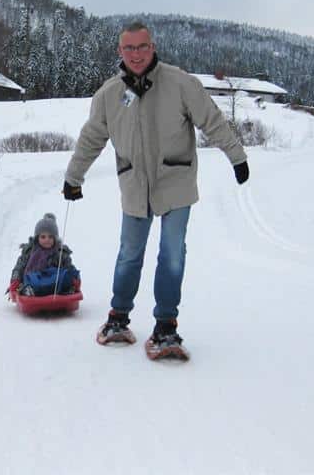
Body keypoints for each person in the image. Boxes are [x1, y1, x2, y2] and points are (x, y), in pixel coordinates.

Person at [62, 21, 249, 359]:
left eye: (142, 47)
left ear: (153, 47)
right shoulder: (109, 95)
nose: (136, 54)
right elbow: (91, 138)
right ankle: (118, 317)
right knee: (129, 254)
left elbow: (212, 120)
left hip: (175, 182)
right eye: (129, 48)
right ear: (120, 51)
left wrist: (237, 157)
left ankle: (166, 326)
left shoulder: (180, 83)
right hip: (135, 184)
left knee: (172, 254)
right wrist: (74, 177)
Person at [8, 213, 80, 297]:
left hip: (55, 284)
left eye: (50, 237)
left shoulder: (60, 252)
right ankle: (27, 291)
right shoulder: (30, 252)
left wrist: (75, 278)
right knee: (29, 278)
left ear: (55, 238)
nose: (47, 240)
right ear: (37, 238)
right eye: (43, 237)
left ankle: (66, 290)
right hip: (35, 281)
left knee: (64, 275)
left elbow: (69, 267)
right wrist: (15, 280)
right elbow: (19, 267)